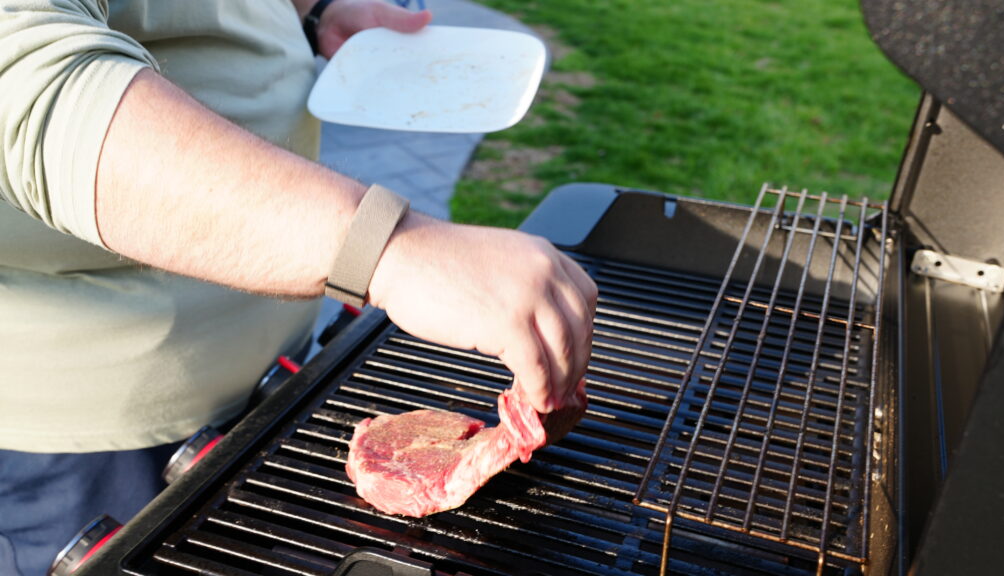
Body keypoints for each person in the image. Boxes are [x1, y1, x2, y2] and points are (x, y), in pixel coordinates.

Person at [0, 1, 597, 574]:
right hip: (102, 431)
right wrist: (387, 246)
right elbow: (27, 88)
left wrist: (311, 9)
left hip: (271, 361)